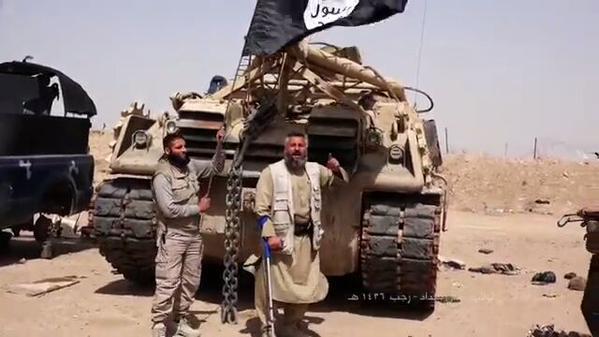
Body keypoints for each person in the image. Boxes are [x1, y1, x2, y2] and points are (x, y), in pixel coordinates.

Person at [253, 131, 349, 337]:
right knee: (268, 284)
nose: (297, 149)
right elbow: (261, 210)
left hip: (306, 238)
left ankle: (291, 325)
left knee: (304, 285)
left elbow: (339, 184)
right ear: (285, 149)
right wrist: (270, 237)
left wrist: (337, 169)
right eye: (292, 145)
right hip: (280, 238)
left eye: (301, 145)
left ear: (306, 149)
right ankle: (266, 327)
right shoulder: (271, 173)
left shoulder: (315, 171)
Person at [150, 129, 225, 337]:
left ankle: (180, 320)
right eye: (179, 147)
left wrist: (220, 144)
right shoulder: (162, 175)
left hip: (193, 235)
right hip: (173, 235)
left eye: (184, 146)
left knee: (190, 281)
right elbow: (169, 210)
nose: (184, 150)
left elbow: (215, 168)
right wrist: (198, 209)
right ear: (168, 151)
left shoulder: (189, 166)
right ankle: (159, 325)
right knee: (168, 281)